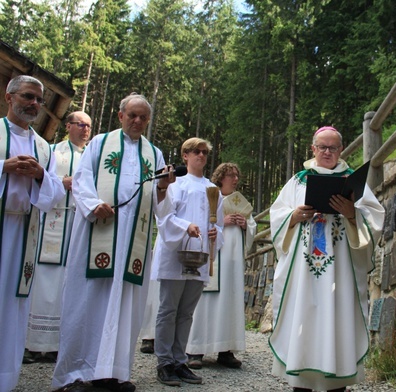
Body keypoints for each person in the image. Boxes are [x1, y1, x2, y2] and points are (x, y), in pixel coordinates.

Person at [52, 93, 174, 392]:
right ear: (120, 116)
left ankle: (114, 373)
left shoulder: (153, 153)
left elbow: (161, 204)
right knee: (88, 302)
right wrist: (94, 204)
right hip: (99, 233)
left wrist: (163, 186)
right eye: (132, 115)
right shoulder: (100, 143)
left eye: (143, 117)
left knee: (125, 306)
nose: (137, 121)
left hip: (134, 241)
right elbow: (81, 180)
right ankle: (77, 373)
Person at [269, 126, 384, 392]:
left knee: (338, 317)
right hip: (304, 272)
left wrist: (352, 213)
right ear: (313, 149)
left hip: (340, 272)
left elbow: (375, 217)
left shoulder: (353, 182)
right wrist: (294, 217)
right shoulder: (298, 181)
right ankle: (301, 381)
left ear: (341, 150)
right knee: (304, 318)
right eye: (322, 147)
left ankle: (337, 381)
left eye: (333, 147)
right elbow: (278, 215)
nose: (327, 152)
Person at [0, 75, 66, 392]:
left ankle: (5, 379)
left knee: (13, 306)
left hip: (24, 231)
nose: (35, 105)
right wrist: (4, 167)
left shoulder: (43, 146)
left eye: (39, 100)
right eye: (28, 96)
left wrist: (40, 174)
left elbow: (54, 194)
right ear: (9, 97)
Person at [151, 137, 224, 386]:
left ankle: (180, 362)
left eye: (204, 152)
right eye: (195, 151)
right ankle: (164, 362)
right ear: (185, 155)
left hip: (199, 256)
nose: (201, 155)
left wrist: (216, 234)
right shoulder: (175, 184)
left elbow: (219, 224)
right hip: (175, 254)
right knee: (168, 310)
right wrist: (186, 226)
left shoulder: (212, 188)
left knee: (186, 313)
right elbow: (163, 217)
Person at [25, 111, 91, 364]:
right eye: (80, 124)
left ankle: (55, 345)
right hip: (53, 221)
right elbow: (41, 181)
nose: (84, 129)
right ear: (69, 126)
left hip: (77, 223)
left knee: (69, 283)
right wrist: (63, 182)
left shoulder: (91, 156)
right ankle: (31, 344)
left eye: (88, 126)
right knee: (43, 281)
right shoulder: (53, 151)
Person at [186, 162, 257, 369]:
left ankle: (226, 350)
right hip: (214, 257)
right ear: (220, 177)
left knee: (230, 301)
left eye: (236, 175)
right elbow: (196, 221)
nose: (235, 179)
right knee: (205, 300)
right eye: (230, 175)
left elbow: (251, 226)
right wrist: (220, 221)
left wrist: (245, 225)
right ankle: (196, 349)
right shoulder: (210, 195)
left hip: (232, 262)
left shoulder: (239, 201)